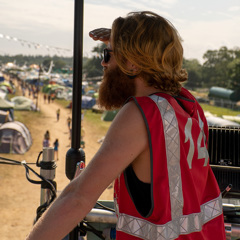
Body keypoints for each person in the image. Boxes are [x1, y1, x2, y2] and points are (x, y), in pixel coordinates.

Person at [26, 11, 225, 240]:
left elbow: (77, 198)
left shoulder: (141, 114)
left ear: (132, 63)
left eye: (108, 55)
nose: (103, 62)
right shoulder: (188, 106)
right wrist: (122, 43)